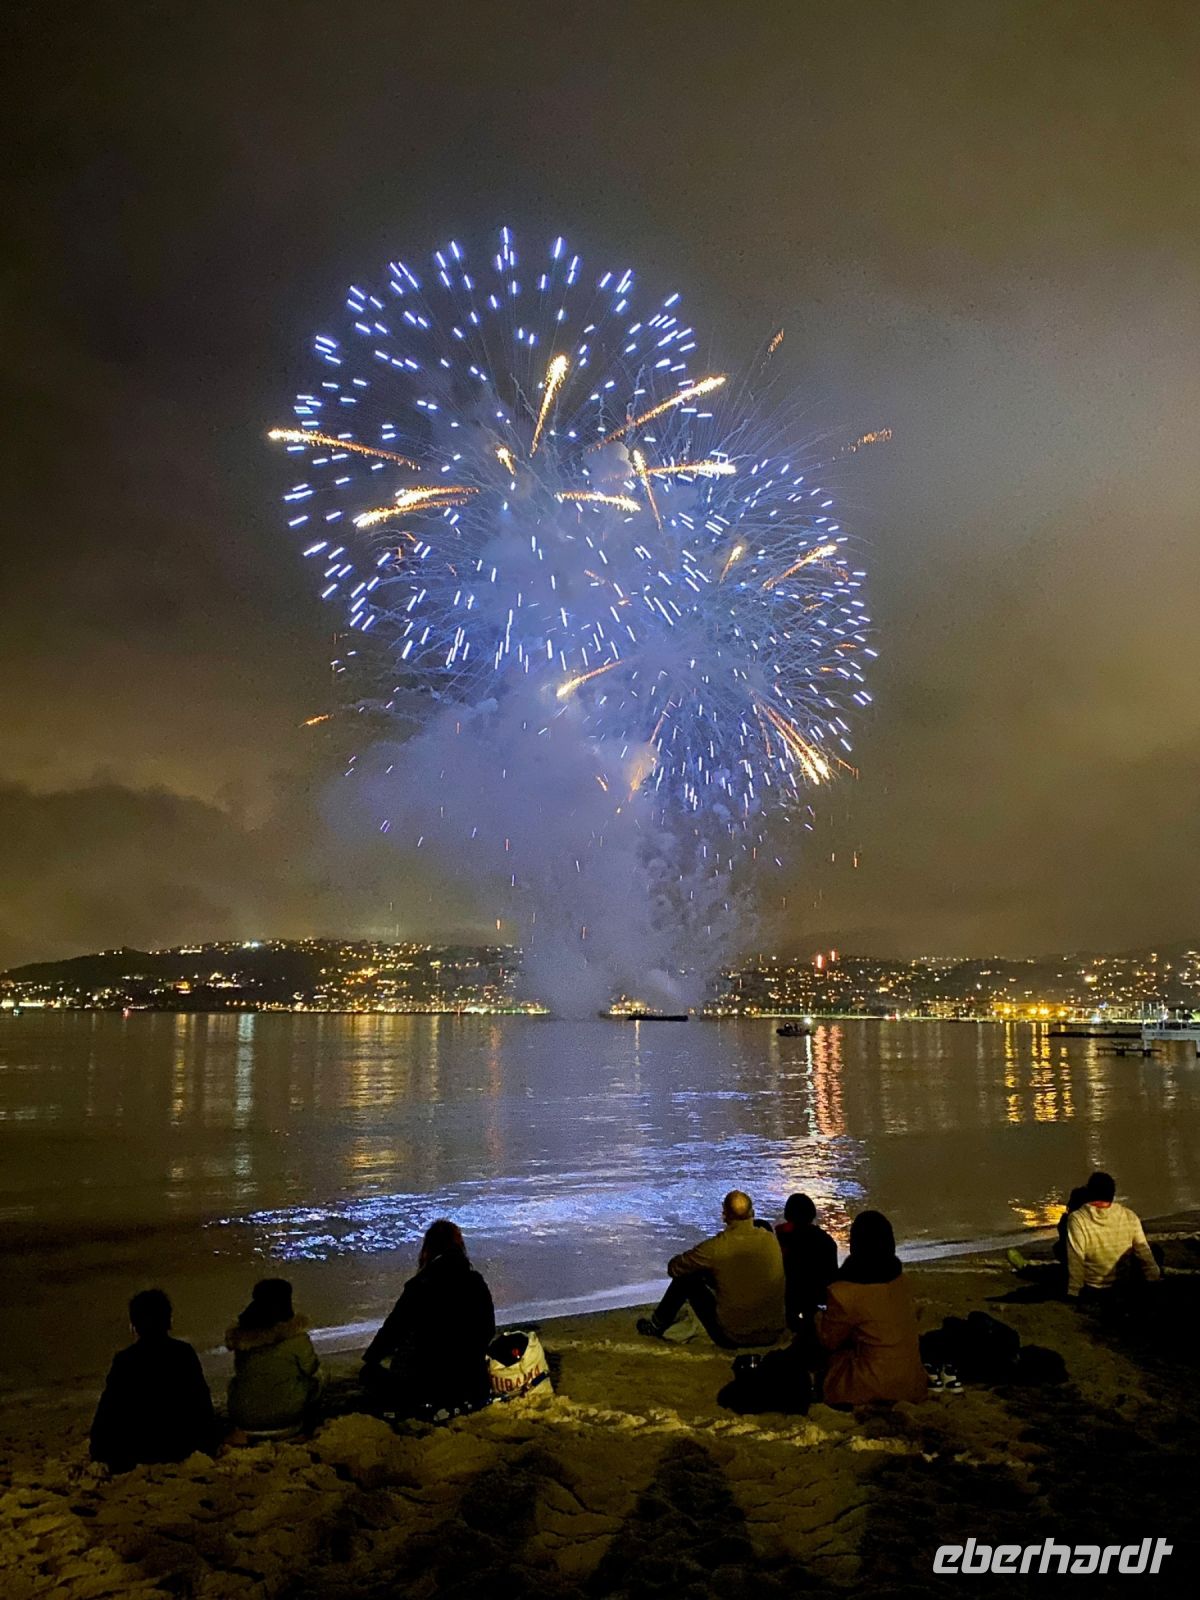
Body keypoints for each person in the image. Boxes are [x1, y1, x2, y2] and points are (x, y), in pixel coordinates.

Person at [362, 1219, 496, 1416]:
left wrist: (371, 1359)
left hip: (426, 1386)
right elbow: (488, 1330)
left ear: (428, 1248)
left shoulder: (420, 1285)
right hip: (471, 1383)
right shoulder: (475, 1282)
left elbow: (392, 1331)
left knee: (370, 1375)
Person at [637, 1190, 786, 1348]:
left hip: (734, 1336)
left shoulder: (716, 1248)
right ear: (753, 1213)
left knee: (686, 1279)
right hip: (773, 1334)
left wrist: (707, 1269)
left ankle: (656, 1325)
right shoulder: (771, 1240)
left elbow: (674, 1269)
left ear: (724, 1215)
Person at [90, 1288, 216, 1471]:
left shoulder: (125, 1360)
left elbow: (108, 1410)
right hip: (179, 1445)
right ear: (168, 1320)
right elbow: (201, 1403)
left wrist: (99, 1450)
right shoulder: (183, 1353)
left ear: (134, 1324)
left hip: (136, 1449)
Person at [816, 1210, 928, 1406]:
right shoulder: (901, 1281)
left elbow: (828, 1340)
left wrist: (816, 1318)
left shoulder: (845, 1293)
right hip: (912, 1383)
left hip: (869, 1385)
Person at [226, 1278, 323, 1438]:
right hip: (287, 1419)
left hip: (244, 1417)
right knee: (317, 1378)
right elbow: (311, 1368)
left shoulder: (243, 1339)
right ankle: (310, 1424)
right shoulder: (296, 1338)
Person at [1065, 1171, 1162, 1303]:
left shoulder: (1078, 1219)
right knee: (1153, 1250)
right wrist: (1153, 1279)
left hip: (1094, 1287)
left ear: (1089, 1193)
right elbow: (1144, 1252)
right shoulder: (1129, 1215)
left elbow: (1076, 1257)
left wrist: (1074, 1291)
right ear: (1113, 1194)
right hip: (1123, 1283)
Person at [775, 1193, 838, 1332]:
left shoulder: (780, 1239)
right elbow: (832, 1277)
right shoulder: (826, 1241)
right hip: (817, 1299)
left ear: (787, 1214)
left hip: (788, 1298)